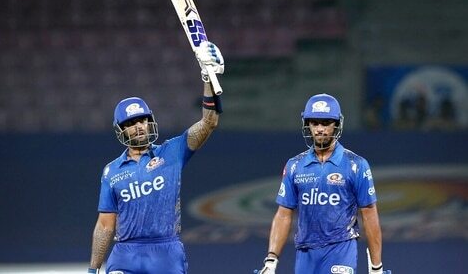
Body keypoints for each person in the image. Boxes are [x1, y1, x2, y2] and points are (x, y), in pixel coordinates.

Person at [87, 41, 224, 274]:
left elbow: (209, 122)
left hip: (166, 251)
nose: (139, 127)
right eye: (131, 123)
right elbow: (105, 225)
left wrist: (207, 77)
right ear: (121, 130)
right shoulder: (112, 171)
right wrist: (93, 269)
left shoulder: (172, 151)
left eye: (142, 120)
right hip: (125, 253)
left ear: (150, 122)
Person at [256, 93, 391, 274]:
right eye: (315, 123)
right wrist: (271, 259)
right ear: (307, 124)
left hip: (341, 248)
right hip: (305, 252)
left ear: (336, 124)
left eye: (326, 123)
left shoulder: (356, 165)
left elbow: (369, 214)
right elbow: (283, 214)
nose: (320, 129)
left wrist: (376, 267)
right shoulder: (295, 165)